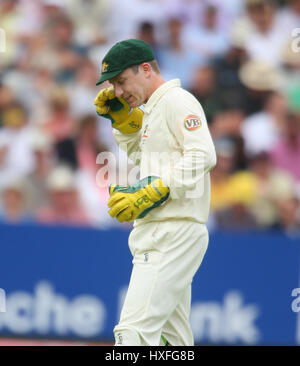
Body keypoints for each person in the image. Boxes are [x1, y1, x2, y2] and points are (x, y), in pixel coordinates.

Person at [94, 39, 216, 346]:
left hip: (172, 231)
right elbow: (147, 160)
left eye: (121, 81)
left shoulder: (177, 100)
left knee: (131, 335)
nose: (118, 92)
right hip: (163, 229)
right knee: (172, 343)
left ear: (146, 69)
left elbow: (204, 155)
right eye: (113, 85)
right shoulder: (155, 108)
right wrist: (124, 124)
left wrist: (154, 190)